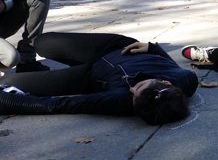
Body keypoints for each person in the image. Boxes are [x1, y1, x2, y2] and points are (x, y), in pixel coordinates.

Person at [0, 32, 198, 125]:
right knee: (43, 43)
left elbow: (63, 104)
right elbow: (172, 65)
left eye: (133, 96)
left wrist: (12, 101)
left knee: (9, 83)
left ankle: (75, 65)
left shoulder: (122, 100)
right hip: (115, 47)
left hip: (90, 75)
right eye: (139, 86)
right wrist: (152, 48)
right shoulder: (186, 80)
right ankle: (74, 57)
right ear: (166, 83)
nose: (131, 90)